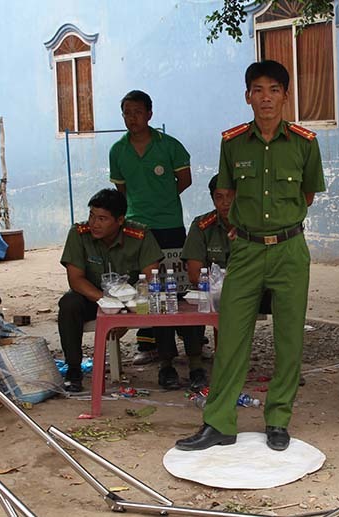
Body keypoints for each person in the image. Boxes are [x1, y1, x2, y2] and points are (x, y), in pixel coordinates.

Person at [176, 60, 326, 452]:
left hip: (290, 250)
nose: (266, 98)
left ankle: (277, 418)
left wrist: (280, 224)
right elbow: (227, 192)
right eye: (258, 90)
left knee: (289, 338)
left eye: (274, 90)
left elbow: (306, 196)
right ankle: (219, 422)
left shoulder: (305, 143)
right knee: (231, 338)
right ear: (247, 96)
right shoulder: (232, 142)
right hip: (244, 250)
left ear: (285, 96)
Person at [109, 89, 200, 389]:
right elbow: (121, 193)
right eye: (126, 113)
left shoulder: (170, 146)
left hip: (171, 226)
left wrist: (162, 200)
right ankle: (165, 361)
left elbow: (184, 180)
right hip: (138, 230)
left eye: (136, 112)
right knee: (154, 294)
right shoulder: (117, 151)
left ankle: (196, 358)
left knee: (183, 292)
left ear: (150, 113)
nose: (131, 118)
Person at [57, 189, 163, 392]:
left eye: (102, 219)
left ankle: (168, 366)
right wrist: (106, 301)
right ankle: (73, 369)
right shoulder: (79, 234)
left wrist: (125, 307)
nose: (94, 223)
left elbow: (151, 277)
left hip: (133, 299)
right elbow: (75, 279)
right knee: (68, 303)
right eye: (92, 216)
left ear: (120, 220)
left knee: (165, 301)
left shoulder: (140, 235)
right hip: (93, 297)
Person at [178, 175, 234, 391]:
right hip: (213, 290)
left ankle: (286, 369)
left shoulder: (253, 225)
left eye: (230, 196)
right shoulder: (202, 226)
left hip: (249, 290)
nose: (225, 203)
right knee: (194, 303)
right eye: (219, 197)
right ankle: (196, 366)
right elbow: (194, 274)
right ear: (212, 200)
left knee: (282, 297)